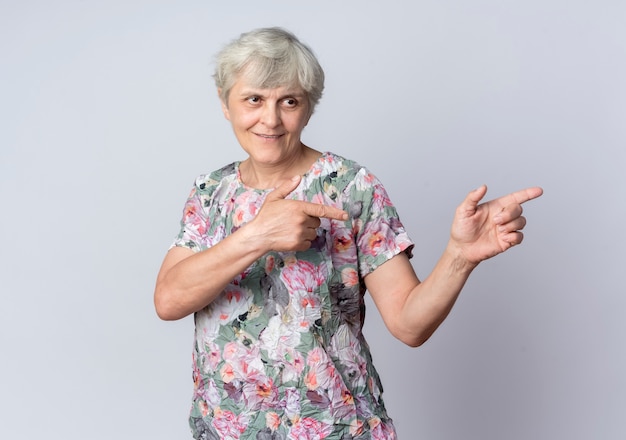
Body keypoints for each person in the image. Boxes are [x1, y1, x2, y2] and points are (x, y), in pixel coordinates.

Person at [154, 27, 543, 440]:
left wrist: (460, 256)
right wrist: (257, 234)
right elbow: (169, 299)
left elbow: (410, 326)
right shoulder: (210, 192)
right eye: (254, 99)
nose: (270, 119)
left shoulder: (351, 185)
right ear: (224, 103)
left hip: (334, 427)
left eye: (289, 101)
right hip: (223, 427)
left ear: (308, 108)